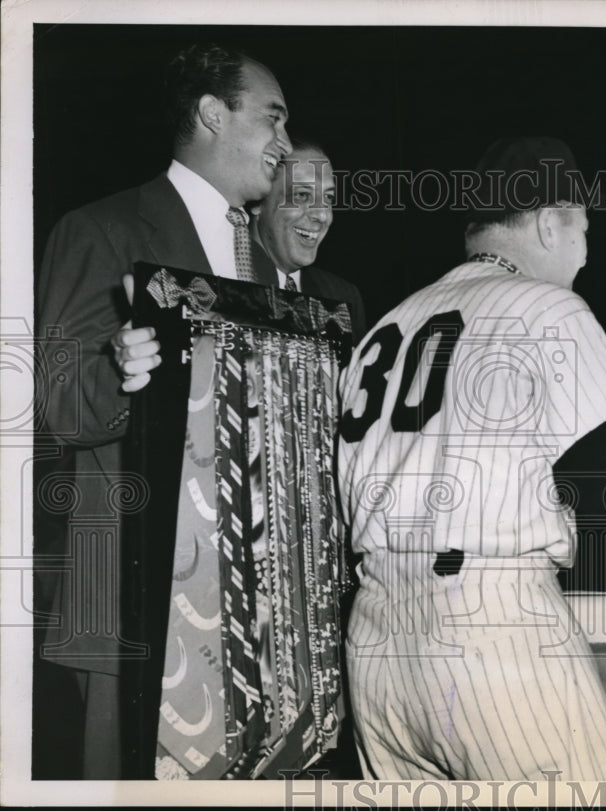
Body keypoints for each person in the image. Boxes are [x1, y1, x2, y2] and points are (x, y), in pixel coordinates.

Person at [337, 136, 606, 781]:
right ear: (548, 222)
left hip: (373, 639)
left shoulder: (384, 327)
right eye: (582, 230)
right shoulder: (547, 308)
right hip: (492, 622)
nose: (585, 253)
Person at [35, 42, 291, 778]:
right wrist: (118, 370)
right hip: (130, 606)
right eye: (271, 119)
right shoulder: (101, 229)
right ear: (213, 114)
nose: (283, 144)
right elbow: (54, 403)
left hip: (246, 604)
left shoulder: (266, 264)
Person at [250, 141, 367, 341]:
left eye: (328, 199)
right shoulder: (215, 277)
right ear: (258, 200)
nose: (322, 216)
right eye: (303, 195)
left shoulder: (343, 297)